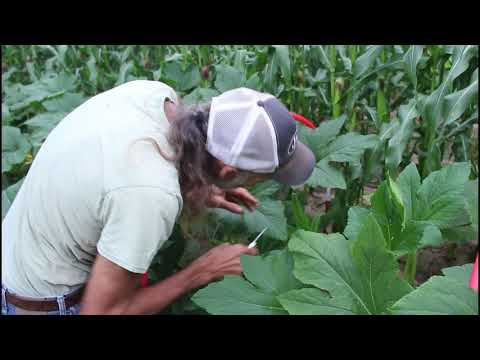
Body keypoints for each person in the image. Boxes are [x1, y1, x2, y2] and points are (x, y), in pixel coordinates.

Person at [1, 81, 316, 315]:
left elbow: (124, 175)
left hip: (14, 253)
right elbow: (102, 313)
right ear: (229, 171)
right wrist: (200, 271)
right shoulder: (150, 195)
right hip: (38, 302)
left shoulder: (151, 96)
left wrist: (203, 183)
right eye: (261, 176)